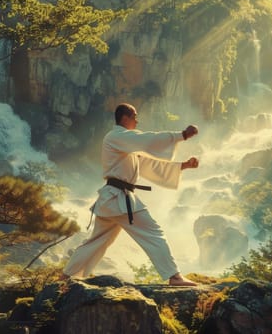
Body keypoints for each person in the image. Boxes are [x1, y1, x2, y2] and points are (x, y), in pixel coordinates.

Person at [62, 103, 199, 286]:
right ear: (125, 117)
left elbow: (148, 165)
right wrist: (181, 135)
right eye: (134, 116)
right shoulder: (116, 136)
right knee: (154, 233)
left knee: (96, 242)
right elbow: (148, 140)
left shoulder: (125, 144)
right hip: (118, 198)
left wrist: (183, 165)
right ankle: (174, 277)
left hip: (112, 200)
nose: (137, 119)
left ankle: (65, 278)